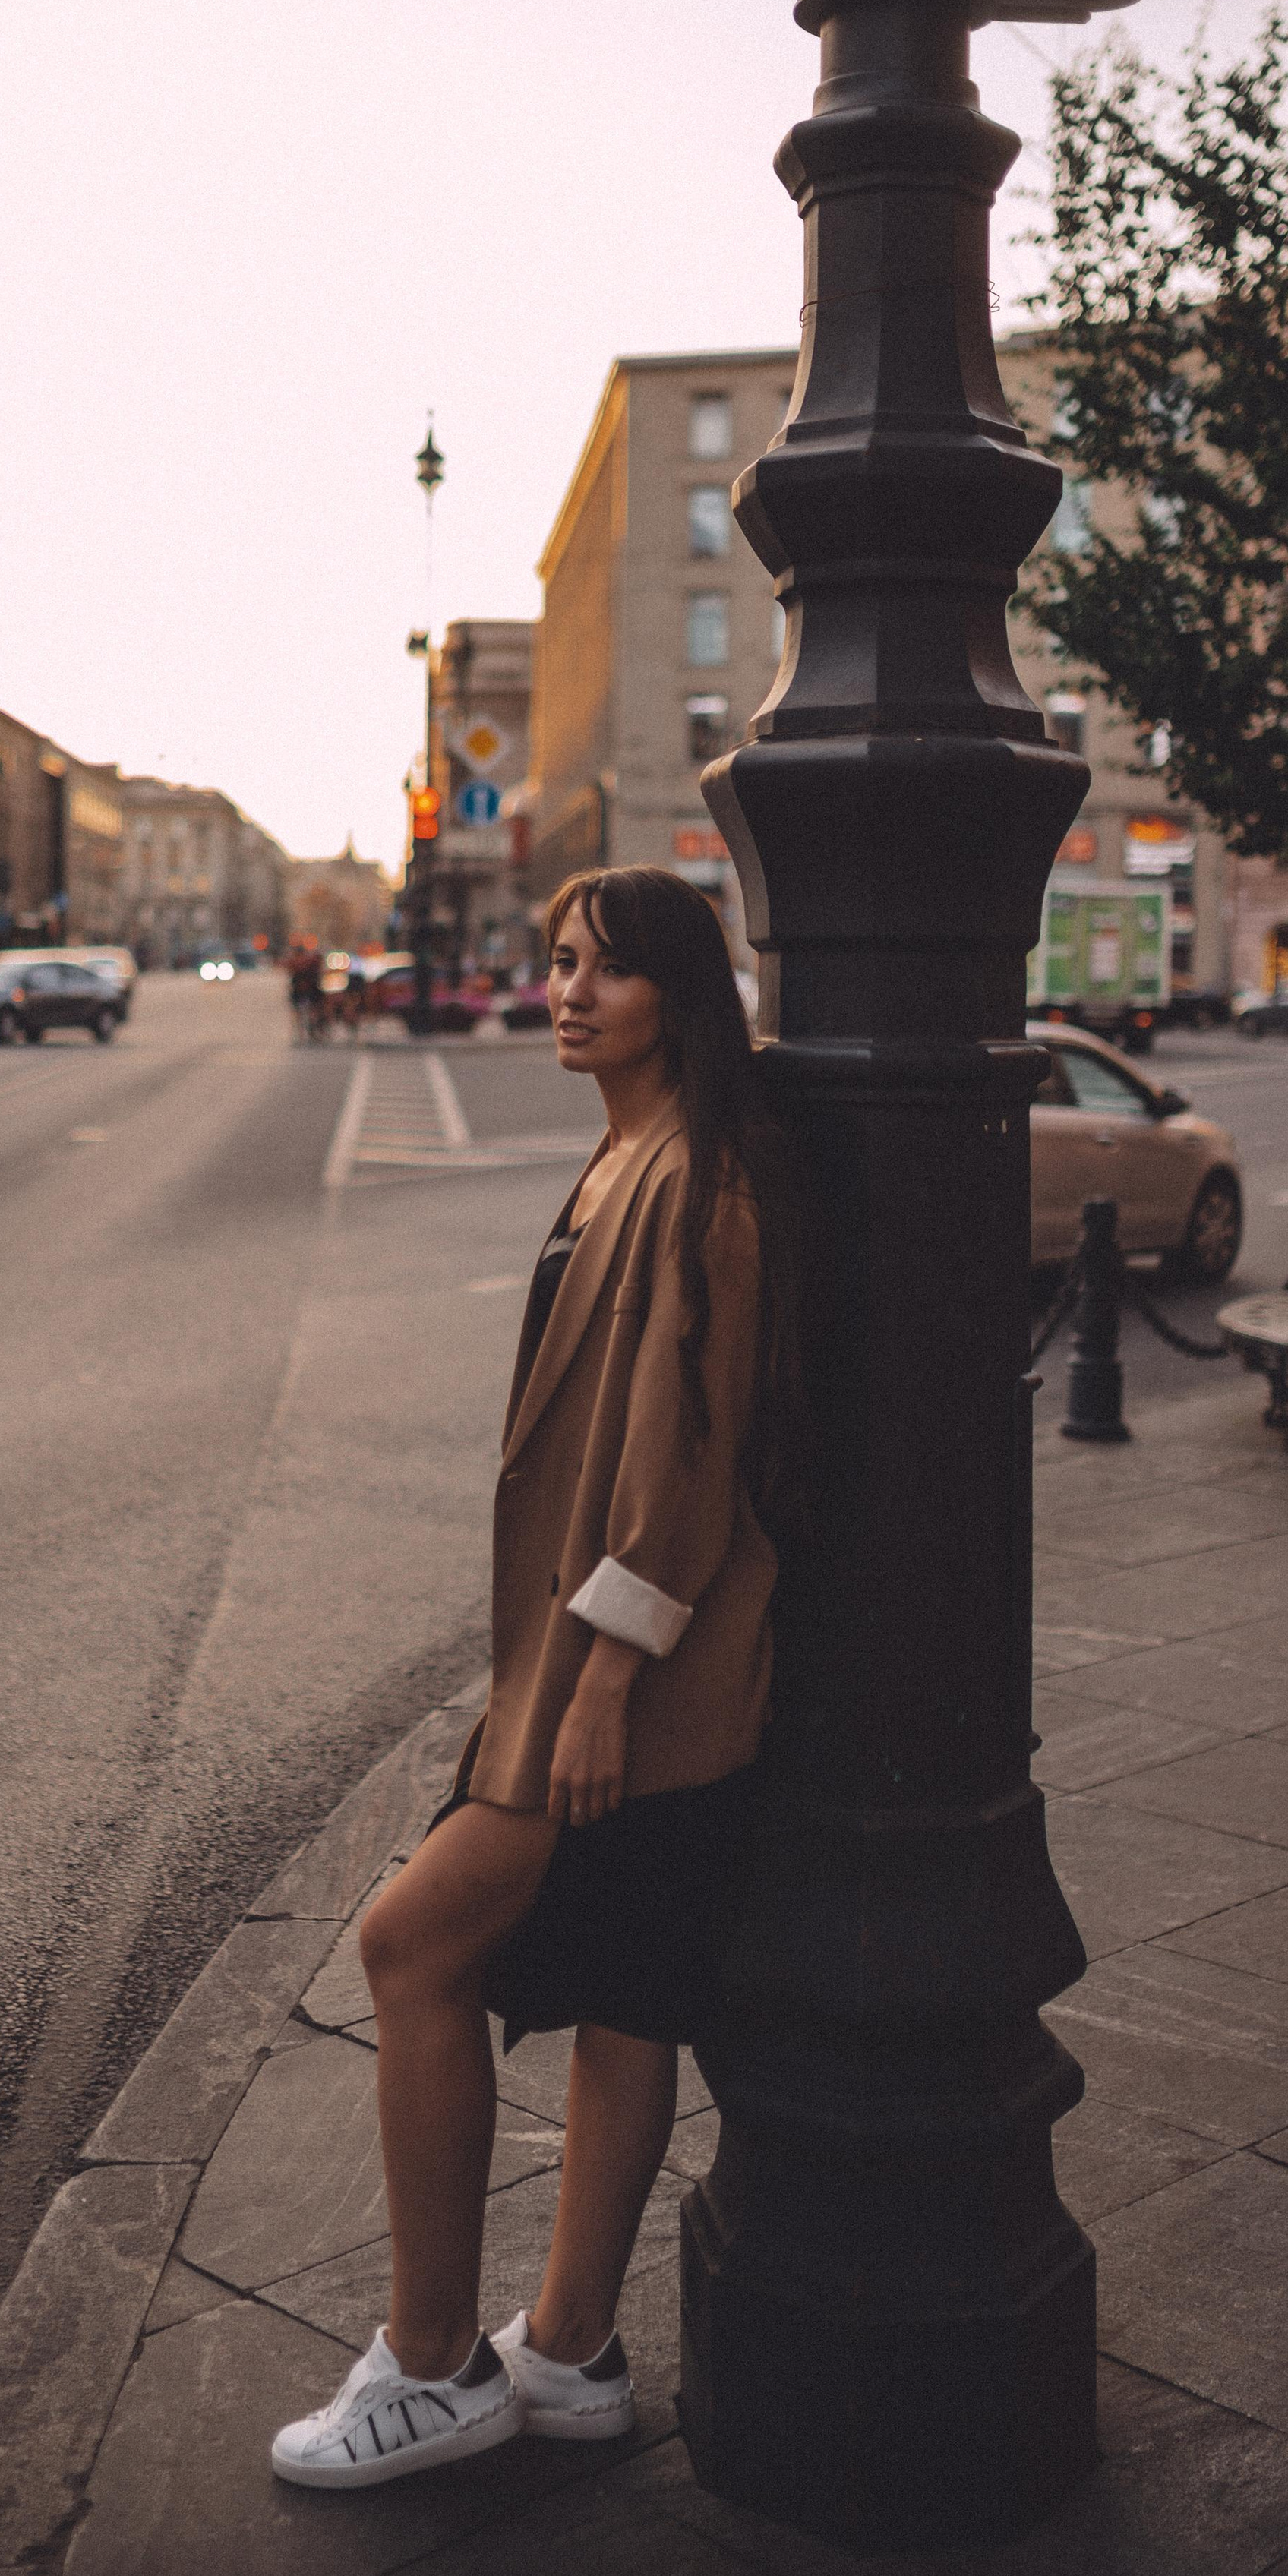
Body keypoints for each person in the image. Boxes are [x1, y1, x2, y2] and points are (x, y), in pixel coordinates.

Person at [270, 865, 810, 2489]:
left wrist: (596, 1679)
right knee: (624, 1994)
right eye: (557, 961)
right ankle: (567, 2352)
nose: (566, 991)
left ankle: (433, 2364)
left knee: (408, 1947)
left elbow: (689, 1457)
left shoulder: (695, 1174)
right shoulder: (631, 1152)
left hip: (621, 1679)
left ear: (678, 998)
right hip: (617, 1673)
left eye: (602, 970)